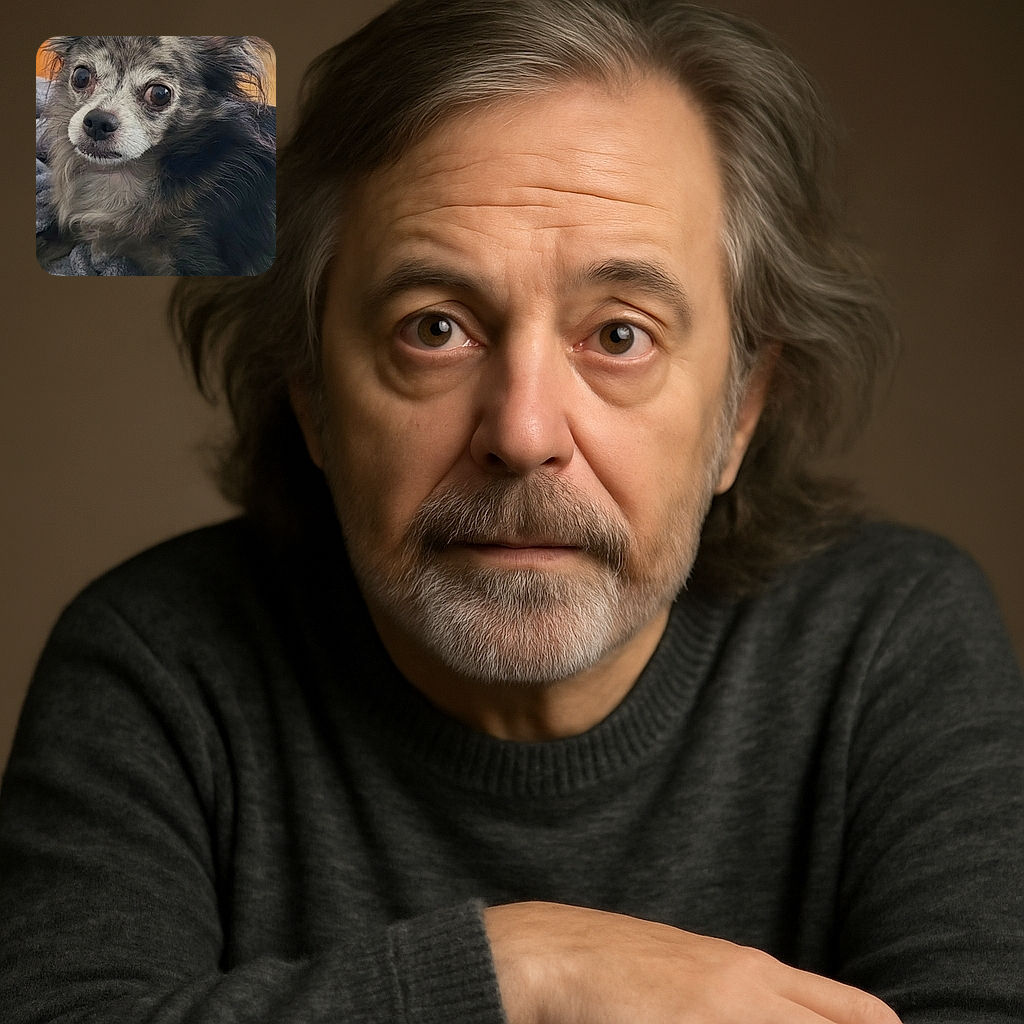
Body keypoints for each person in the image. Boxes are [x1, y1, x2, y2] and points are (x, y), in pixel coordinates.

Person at [2, 1, 1022, 1021]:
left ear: (741, 410)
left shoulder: (891, 642)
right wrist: (522, 972)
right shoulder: (156, 662)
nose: (523, 432)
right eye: (434, 329)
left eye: (618, 336)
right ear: (312, 394)